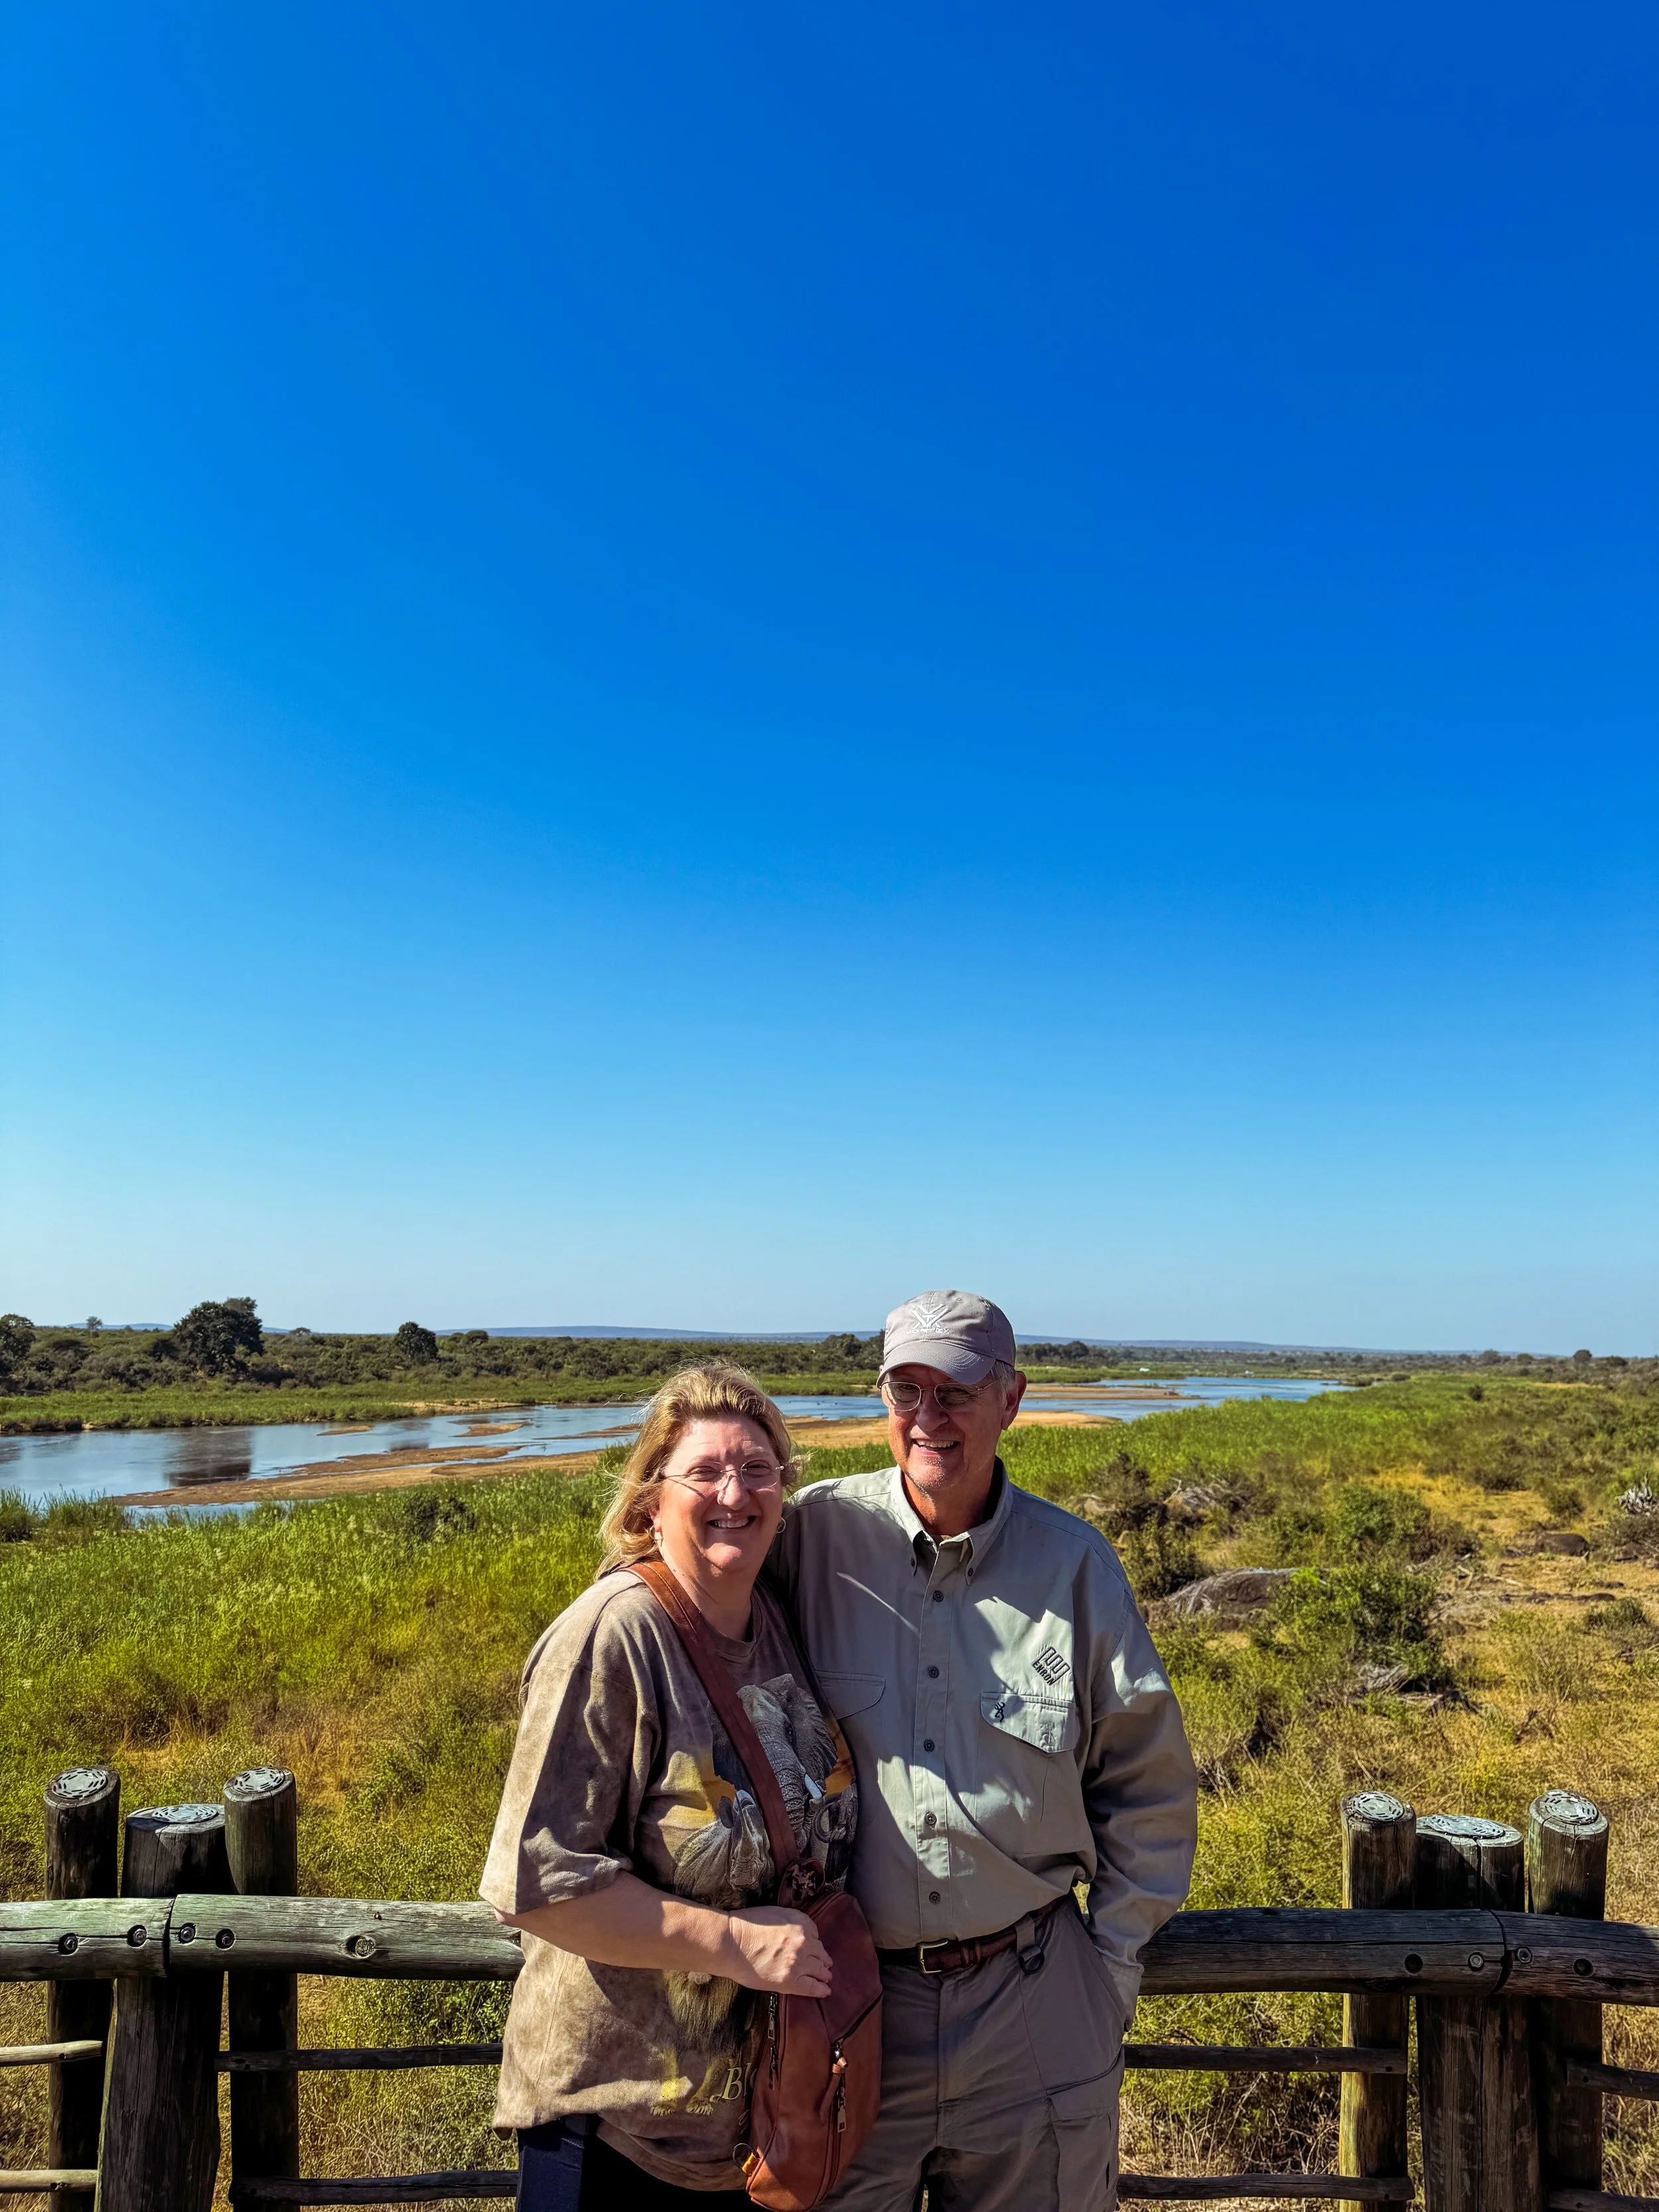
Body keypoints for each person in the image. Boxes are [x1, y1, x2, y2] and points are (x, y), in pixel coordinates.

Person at [770, 1290, 1198, 2212]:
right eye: (907, 1390)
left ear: (1011, 1399)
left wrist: (1109, 1971)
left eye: (956, 1391)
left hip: (1033, 2002)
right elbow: (688, 1590)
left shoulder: (1075, 1567)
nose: (930, 1419)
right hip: (851, 2008)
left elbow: (1149, 1786)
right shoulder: (811, 1538)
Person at [481, 1365, 859, 2208]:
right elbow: (535, 1889)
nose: (735, 1491)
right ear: (651, 1499)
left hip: (749, 2133)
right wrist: (738, 1946)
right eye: (706, 1472)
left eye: (759, 1469)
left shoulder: (776, 1620)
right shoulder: (613, 1638)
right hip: (617, 2135)